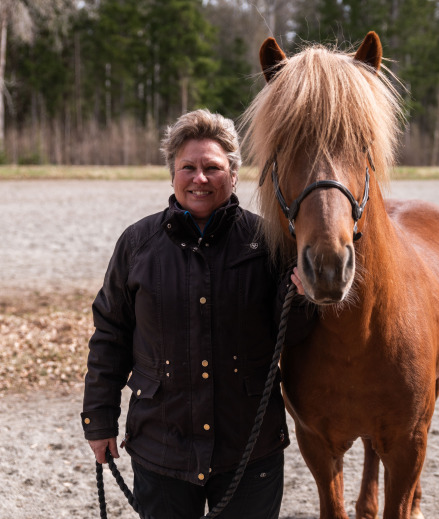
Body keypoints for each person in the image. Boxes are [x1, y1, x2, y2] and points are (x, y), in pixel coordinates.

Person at [81, 109, 311, 519]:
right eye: (188, 167)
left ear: (234, 174)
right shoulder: (137, 244)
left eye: (212, 168)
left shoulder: (270, 245)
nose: (199, 178)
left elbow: (289, 336)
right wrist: (99, 420)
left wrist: (305, 297)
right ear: (172, 173)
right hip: (160, 448)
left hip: (249, 450)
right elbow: (110, 334)